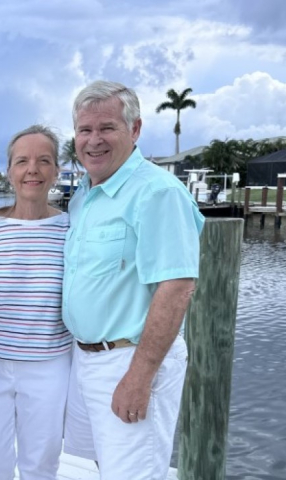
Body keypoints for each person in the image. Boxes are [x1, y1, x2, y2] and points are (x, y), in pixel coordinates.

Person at [61, 80, 204, 479]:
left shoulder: (157, 193)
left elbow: (177, 288)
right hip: (85, 359)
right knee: (104, 466)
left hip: (130, 360)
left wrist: (139, 377)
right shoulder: (85, 196)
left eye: (107, 128)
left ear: (135, 130)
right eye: (84, 130)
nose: (94, 140)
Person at [0, 125, 72, 479]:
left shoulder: (72, 229)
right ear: (9, 171)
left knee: (42, 463)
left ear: (56, 171)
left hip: (50, 366)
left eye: (43, 161)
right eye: (22, 161)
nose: (32, 170)